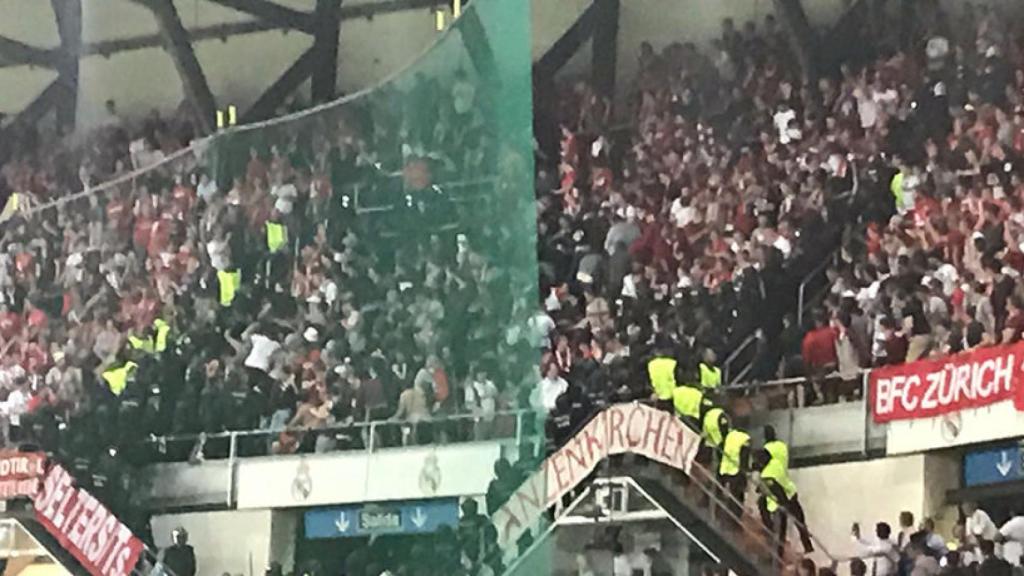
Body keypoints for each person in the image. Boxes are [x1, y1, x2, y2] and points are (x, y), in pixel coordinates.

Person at [757, 425, 814, 553]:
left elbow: (770, 484)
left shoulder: (767, 457)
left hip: (779, 495)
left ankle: (776, 548)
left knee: (780, 527)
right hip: (789, 487)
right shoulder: (782, 448)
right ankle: (807, 545)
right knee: (799, 519)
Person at [718, 419, 750, 522]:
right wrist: (745, 473)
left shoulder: (730, 435)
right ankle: (734, 520)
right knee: (737, 496)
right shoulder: (745, 438)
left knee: (727, 494)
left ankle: (724, 517)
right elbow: (744, 456)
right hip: (736, 470)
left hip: (725, 468)